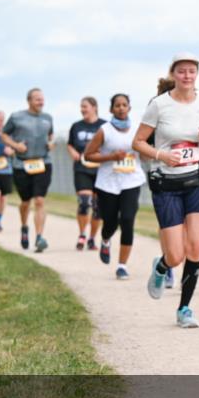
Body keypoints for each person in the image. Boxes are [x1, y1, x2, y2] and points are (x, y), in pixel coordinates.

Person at [134, 53, 199, 328]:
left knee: (195, 246)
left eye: (191, 71)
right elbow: (138, 143)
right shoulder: (159, 106)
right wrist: (161, 155)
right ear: (173, 74)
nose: (187, 76)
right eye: (181, 71)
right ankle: (162, 266)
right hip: (166, 184)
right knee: (176, 255)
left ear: (197, 74)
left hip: (197, 180)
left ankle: (184, 308)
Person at [83, 94, 145, 280]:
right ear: (111, 109)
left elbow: (145, 153)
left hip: (131, 180)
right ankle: (105, 239)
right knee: (110, 222)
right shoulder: (104, 130)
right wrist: (110, 157)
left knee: (127, 220)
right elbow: (88, 155)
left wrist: (145, 152)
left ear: (129, 108)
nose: (121, 108)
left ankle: (122, 265)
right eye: (117, 105)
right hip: (108, 183)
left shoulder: (137, 129)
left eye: (124, 105)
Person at [1, 88, 55, 253]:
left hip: (42, 163)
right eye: (37, 99)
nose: (41, 102)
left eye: (42, 99)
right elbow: (4, 135)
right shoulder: (17, 117)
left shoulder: (48, 118)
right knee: (26, 202)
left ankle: (39, 237)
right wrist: (16, 145)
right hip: (21, 165)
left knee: (39, 200)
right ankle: (24, 227)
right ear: (29, 101)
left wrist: (51, 143)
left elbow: (51, 135)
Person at [67, 97, 106, 251]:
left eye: (85, 106)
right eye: (81, 107)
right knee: (84, 202)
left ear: (94, 107)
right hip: (82, 169)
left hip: (100, 169)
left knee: (98, 207)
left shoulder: (104, 125)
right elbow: (69, 144)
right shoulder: (76, 126)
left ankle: (92, 238)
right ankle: (82, 234)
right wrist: (73, 153)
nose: (82, 109)